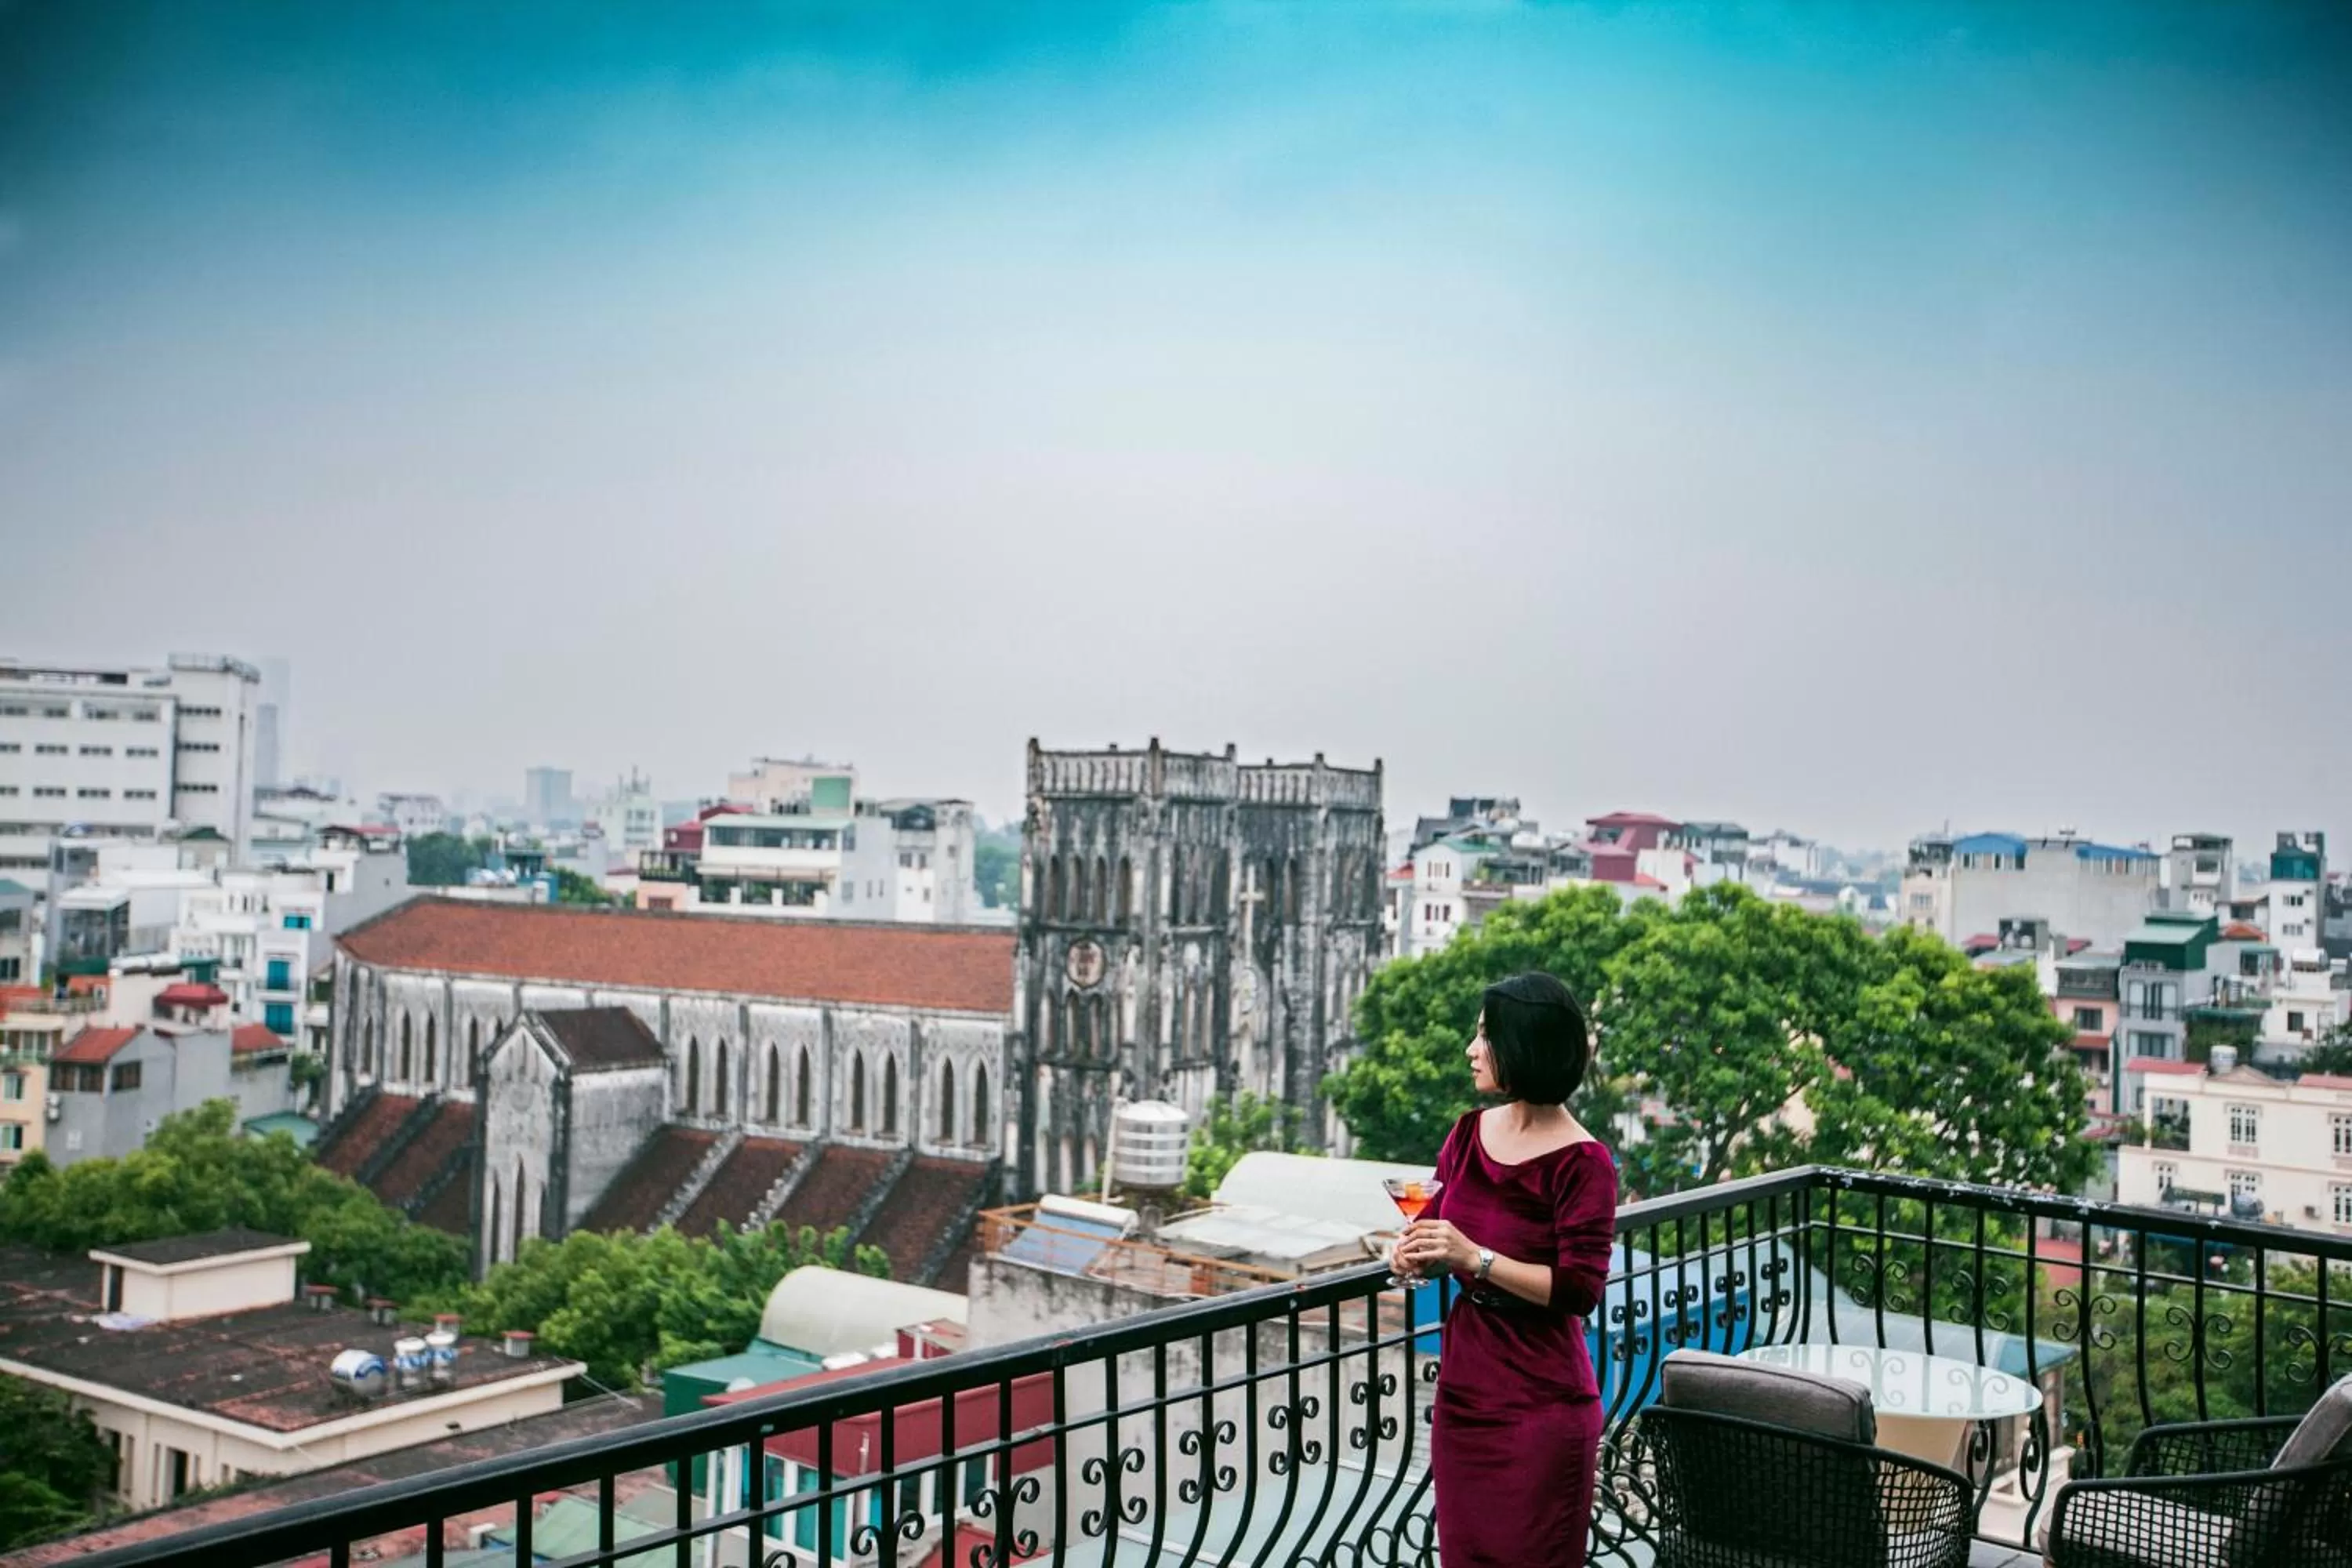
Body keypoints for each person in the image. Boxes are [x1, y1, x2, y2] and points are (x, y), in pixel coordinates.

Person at [1392, 971, 1618, 1568]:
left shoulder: (1584, 1163)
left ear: (1526, 1047)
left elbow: (1579, 1289)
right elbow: (1436, 1229)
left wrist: (1476, 1260)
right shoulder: (1468, 1133)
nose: (1471, 1049)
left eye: (1486, 1036)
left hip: (1542, 1406)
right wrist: (1410, 1252)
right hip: (1466, 1392)